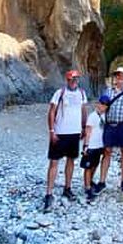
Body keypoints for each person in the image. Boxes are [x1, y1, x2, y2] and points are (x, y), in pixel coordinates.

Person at [43, 69, 88, 212]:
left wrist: (83, 127)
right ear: (67, 79)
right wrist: (51, 131)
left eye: (76, 79)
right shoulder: (59, 93)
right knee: (54, 162)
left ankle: (67, 188)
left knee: (71, 160)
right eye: (72, 79)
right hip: (60, 132)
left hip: (74, 132)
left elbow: (83, 110)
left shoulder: (82, 93)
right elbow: (51, 111)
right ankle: (49, 193)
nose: (74, 81)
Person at [96, 66, 123, 194]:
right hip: (110, 125)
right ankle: (102, 181)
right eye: (118, 76)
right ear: (115, 77)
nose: (119, 78)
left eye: (122, 76)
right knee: (107, 151)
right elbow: (102, 107)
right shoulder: (108, 91)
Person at [81, 94, 109, 202]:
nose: (103, 106)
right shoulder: (92, 116)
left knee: (95, 165)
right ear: (98, 104)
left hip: (99, 145)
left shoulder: (105, 116)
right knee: (88, 167)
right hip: (91, 145)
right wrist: (86, 146)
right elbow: (88, 132)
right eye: (101, 103)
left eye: (105, 104)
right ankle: (87, 187)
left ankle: (90, 181)